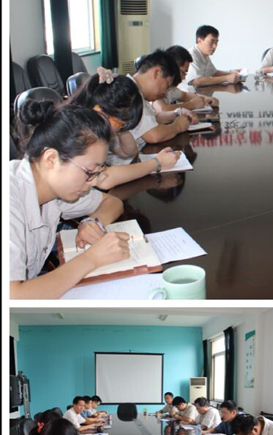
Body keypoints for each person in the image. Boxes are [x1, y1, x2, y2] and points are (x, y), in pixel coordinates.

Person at [10, 102, 130, 299]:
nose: (93, 182)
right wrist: (92, 258)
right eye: (89, 172)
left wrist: (92, 222)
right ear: (51, 159)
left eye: (97, 172)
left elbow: (112, 203)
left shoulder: (53, 186)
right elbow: (13, 297)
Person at [66, 68, 183, 179]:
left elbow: (129, 152)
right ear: (100, 112)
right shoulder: (80, 134)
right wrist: (156, 163)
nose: (119, 129)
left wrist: (122, 128)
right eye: (119, 124)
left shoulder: (99, 127)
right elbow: (103, 179)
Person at [130, 49, 194, 146]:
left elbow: (153, 118)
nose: (164, 93)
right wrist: (177, 126)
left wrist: (176, 113)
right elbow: (153, 135)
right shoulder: (128, 92)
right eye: (166, 86)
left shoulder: (138, 92)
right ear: (156, 73)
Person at [152, 45, 219, 112]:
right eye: (183, 72)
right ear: (173, 67)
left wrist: (207, 98)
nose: (184, 77)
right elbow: (162, 109)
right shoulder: (157, 87)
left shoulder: (171, 89)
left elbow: (185, 95)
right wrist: (191, 104)